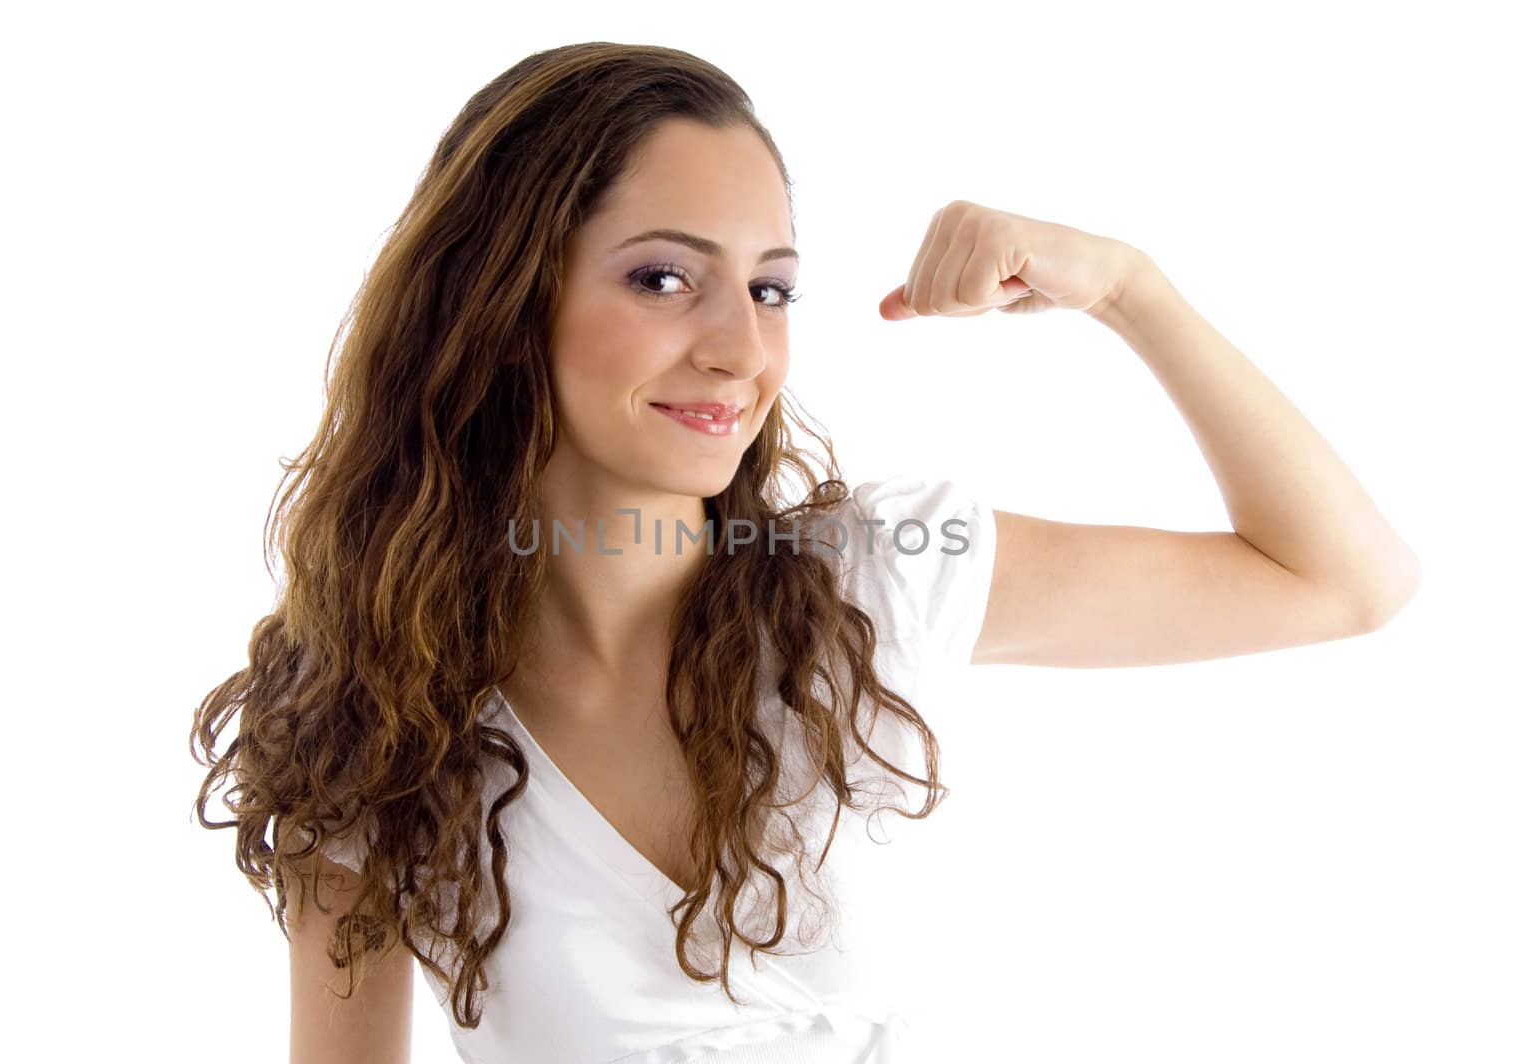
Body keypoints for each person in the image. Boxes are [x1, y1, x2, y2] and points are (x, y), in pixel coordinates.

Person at [189, 41, 1421, 1064]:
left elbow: (1341, 579)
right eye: (665, 277)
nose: (739, 348)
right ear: (504, 300)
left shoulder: (877, 580)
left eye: (770, 289)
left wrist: (1127, 289)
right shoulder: (364, 714)